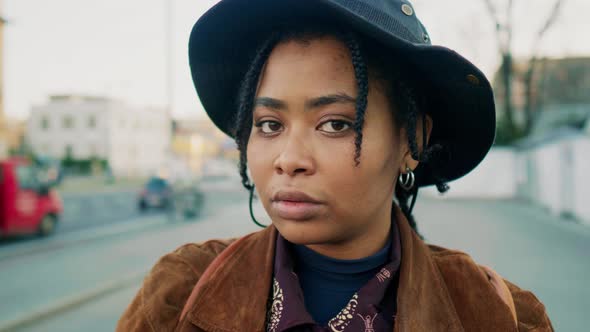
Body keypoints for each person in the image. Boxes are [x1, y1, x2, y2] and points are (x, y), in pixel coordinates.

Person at [117, 1, 553, 331]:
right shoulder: (178, 293)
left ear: (412, 139)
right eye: (269, 124)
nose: (289, 159)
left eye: (335, 124)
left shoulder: (496, 313)